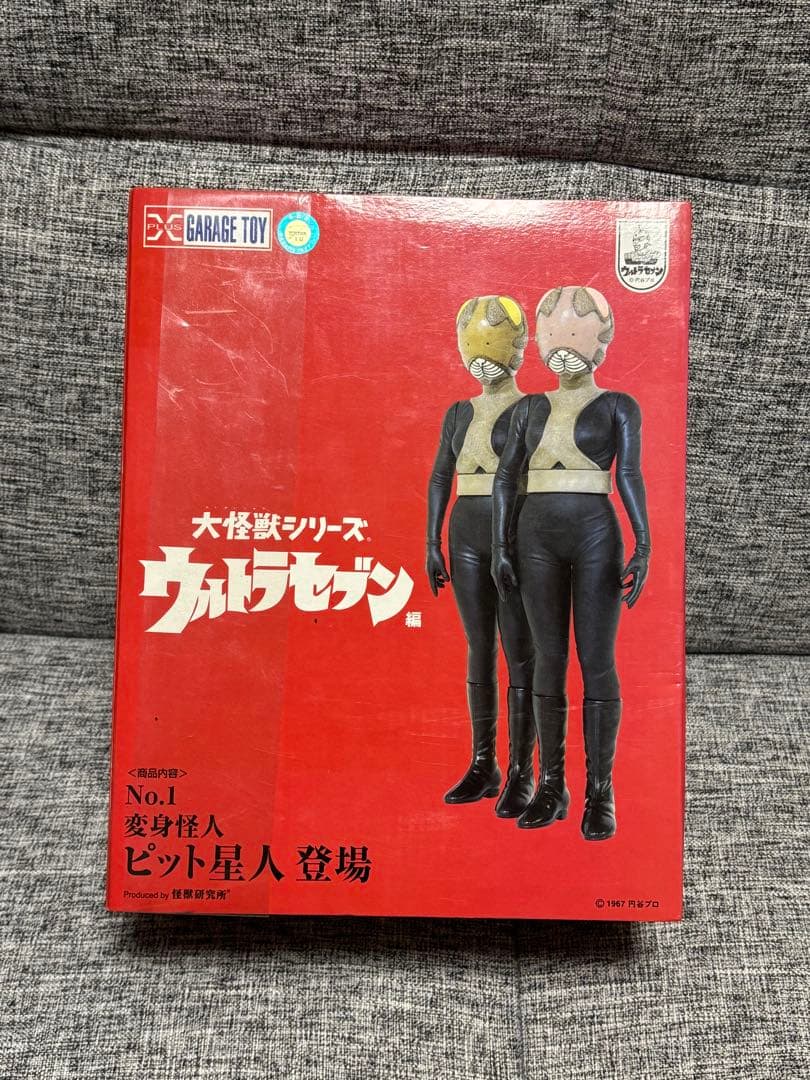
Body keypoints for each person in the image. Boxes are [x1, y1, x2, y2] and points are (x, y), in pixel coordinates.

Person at [491, 286, 650, 839]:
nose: (564, 347)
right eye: (554, 334)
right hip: (535, 539)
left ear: (601, 340)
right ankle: (551, 783)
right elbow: (506, 477)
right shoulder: (527, 408)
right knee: (548, 660)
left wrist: (644, 543)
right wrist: (501, 546)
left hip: (595, 537)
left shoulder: (619, 405)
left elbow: (629, 474)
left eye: (577, 334)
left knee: (597, 661)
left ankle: (600, 792)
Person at [427, 296, 535, 816]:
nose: (481, 360)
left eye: (492, 348)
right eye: (472, 348)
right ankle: (483, 762)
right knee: (478, 647)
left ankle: (522, 770)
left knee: (520, 648)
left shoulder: (531, 409)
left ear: (517, 348)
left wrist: (506, 546)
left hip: (513, 529)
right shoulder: (457, 413)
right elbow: (440, 477)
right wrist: (431, 542)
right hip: (464, 529)